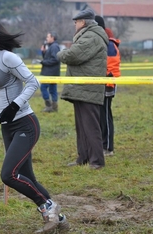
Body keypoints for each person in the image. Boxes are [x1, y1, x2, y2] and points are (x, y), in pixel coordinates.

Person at [0, 19, 68, 234]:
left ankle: (48, 207)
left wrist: (15, 106)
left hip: (26, 123)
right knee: (28, 178)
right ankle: (59, 220)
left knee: (8, 174)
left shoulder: (7, 57)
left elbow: (33, 82)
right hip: (7, 127)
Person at [57, 8, 108, 170]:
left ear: (83, 22)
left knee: (91, 126)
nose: (75, 25)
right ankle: (84, 157)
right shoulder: (88, 35)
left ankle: (97, 161)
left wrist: (60, 53)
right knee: (82, 126)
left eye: (76, 22)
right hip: (82, 88)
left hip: (88, 88)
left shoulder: (92, 37)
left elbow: (73, 55)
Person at [95, 16, 121, 157]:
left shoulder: (109, 44)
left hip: (107, 84)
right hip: (101, 83)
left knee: (105, 115)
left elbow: (110, 65)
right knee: (101, 115)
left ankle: (109, 147)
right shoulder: (102, 41)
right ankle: (103, 144)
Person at [39, 31, 61, 112]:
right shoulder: (52, 46)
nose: (46, 38)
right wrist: (43, 52)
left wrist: (43, 62)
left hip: (50, 72)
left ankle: (49, 106)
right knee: (52, 89)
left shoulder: (54, 47)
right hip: (53, 72)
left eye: (48, 37)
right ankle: (54, 107)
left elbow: (55, 60)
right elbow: (49, 58)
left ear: (53, 38)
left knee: (43, 87)